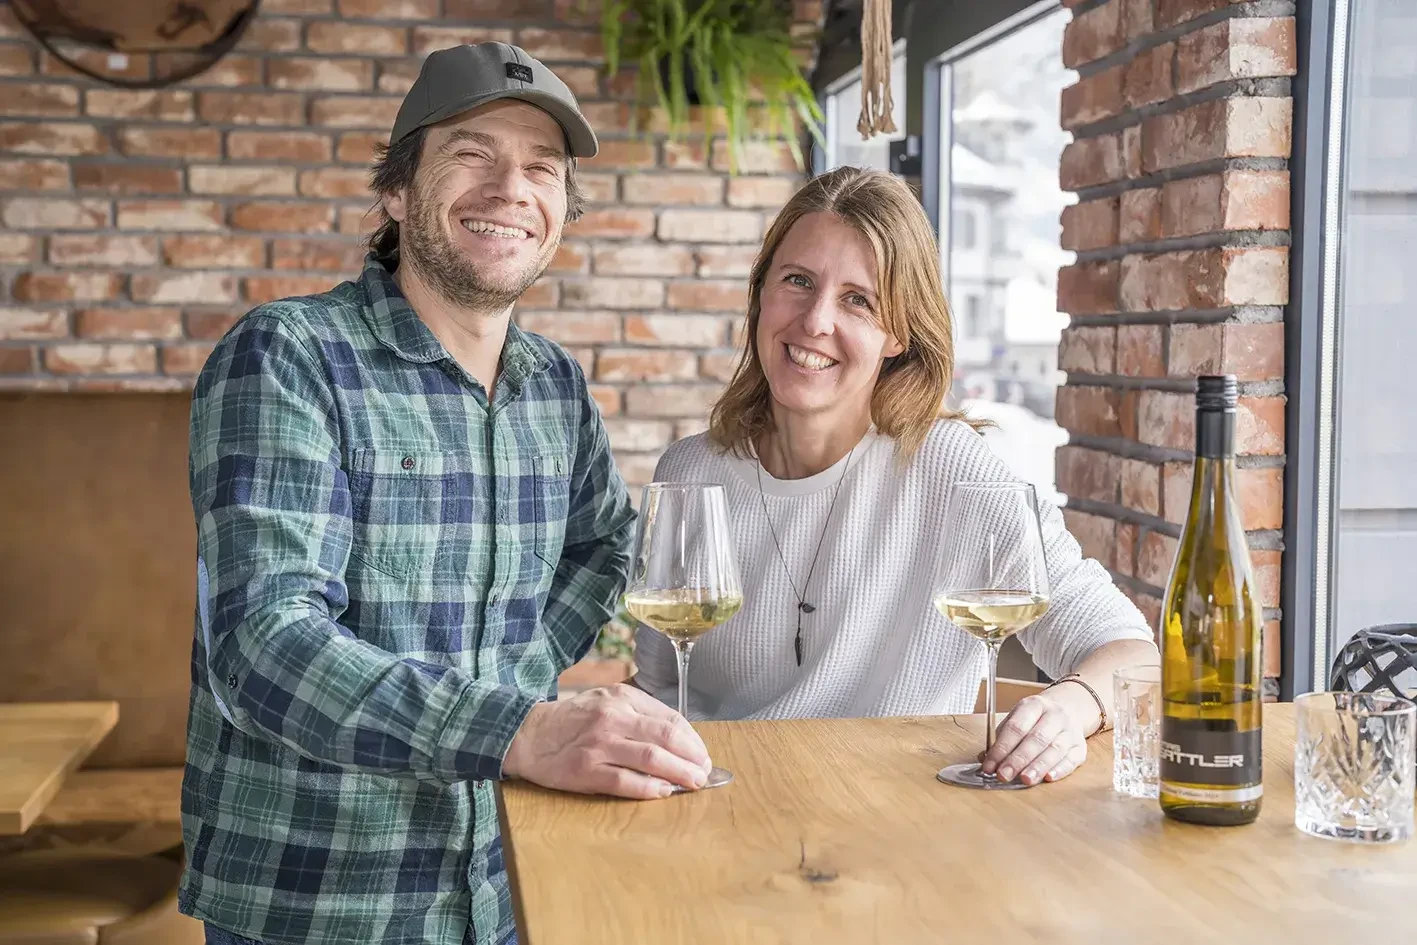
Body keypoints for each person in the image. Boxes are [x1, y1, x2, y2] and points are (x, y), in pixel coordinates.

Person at [183, 43, 712, 945]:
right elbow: (261, 643)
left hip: (509, 873)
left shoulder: (554, 384)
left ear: (560, 215)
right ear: (397, 191)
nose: (511, 187)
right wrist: (519, 727)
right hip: (322, 898)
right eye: (472, 152)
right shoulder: (288, 354)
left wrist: (518, 677)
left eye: (541, 168)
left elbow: (601, 547)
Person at [633, 166, 1159, 787]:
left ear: (899, 334)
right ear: (760, 295)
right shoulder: (691, 473)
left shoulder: (952, 470)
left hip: (893, 820)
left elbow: (1133, 653)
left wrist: (1068, 709)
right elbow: (659, 690)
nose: (815, 321)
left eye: (859, 300)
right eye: (797, 281)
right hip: (718, 804)